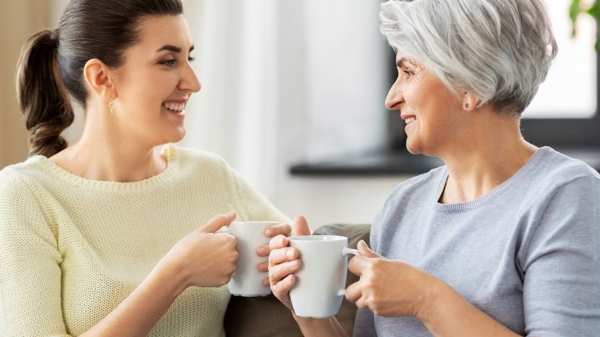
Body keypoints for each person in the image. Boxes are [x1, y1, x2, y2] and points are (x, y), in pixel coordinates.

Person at [268, 0, 600, 336]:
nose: (391, 97)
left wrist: (425, 299)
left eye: (409, 71)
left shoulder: (566, 196)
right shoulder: (402, 207)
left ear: (472, 83)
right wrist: (308, 310)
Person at [0, 1, 293, 336]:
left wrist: (292, 257)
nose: (193, 82)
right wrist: (177, 273)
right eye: (168, 61)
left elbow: (305, 254)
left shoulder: (209, 175)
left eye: (189, 59)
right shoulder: (26, 194)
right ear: (101, 77)